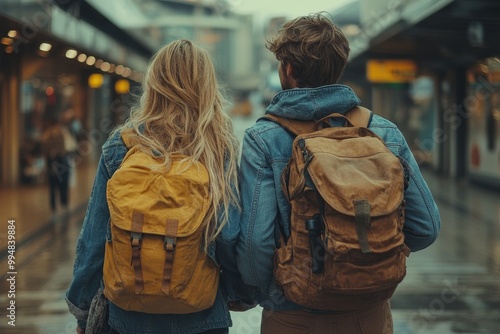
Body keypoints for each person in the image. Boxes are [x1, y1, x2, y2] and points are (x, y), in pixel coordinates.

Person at [236, 12, 441, 334]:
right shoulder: (383, 132)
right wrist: (370, 263)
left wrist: (273, 294)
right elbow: (425, 227)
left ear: (287, 70)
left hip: (293, 315)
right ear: (340, 66)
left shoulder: (264, 139)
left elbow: (254, 246)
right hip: (368, 315)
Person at [66, 39, 247, 334]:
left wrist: (82, 309)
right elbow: (228, 234)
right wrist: (238, 292)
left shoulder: (121, 146)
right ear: (207, 88)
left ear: (154, 85)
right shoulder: (216, 149)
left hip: (127, 317)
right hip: (201, 315)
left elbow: (94, 238)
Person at [41, 116, 71, 213]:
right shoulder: (61, 133)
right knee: (63, 183)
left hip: (51, 162)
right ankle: (64, 203)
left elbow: (44, 151)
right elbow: (64, 148)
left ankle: (53, 206)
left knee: (52, 186)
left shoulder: (45, 135)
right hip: (61, 161)